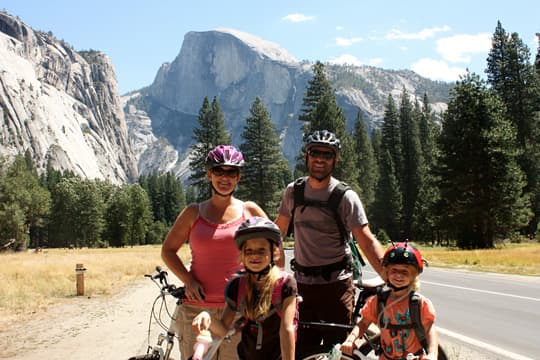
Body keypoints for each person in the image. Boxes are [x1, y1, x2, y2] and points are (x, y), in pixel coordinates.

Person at [274, 129, 385, 357]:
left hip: (337, 286)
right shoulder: (293, 193)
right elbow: (277, 234)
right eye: (315, 153)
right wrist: (273, 274)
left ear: (336, 159)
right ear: (306, 155)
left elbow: (367, 240)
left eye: (327, 154)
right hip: (302, 285)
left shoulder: (345, 197)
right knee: (301, 350)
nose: (320, 159)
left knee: (339, 351)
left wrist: (389, 275)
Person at [161, 145, 267, 360]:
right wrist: (188, 279)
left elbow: (275, 251)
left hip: (239, 312)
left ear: (238, 177)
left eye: (232, 172)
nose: (225, 177)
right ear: (209, 174)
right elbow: (168, 251)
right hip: (196, 311)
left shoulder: (249, 211)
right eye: (219, 171)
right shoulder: (193, 213)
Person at [192, 217, 298, 360]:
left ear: (274, 253)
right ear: (242, 255)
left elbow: (287, 328)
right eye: (249, 250)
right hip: (247, 355)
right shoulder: (237, 286)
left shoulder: (285, 284)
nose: (254, 255)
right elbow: (223, 328)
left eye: (261, 250)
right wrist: (208, 317)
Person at [341, 242, 439, 359]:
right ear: (386, 272)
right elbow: (363, 323)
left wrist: (433, 353)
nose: (398, 275)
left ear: (414, 275)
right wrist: (351, 340)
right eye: (394, 270)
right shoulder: (378, 301)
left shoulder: (419, 304)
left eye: (405, 271)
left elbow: (429, 329)